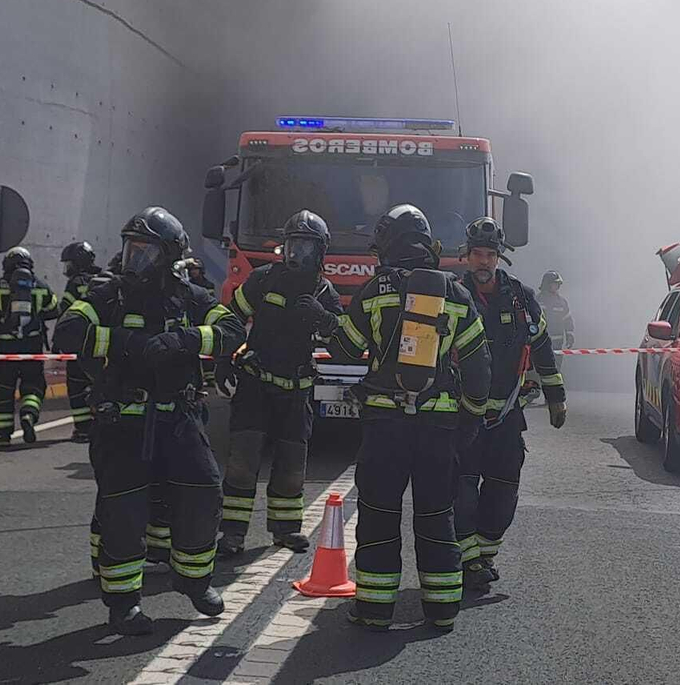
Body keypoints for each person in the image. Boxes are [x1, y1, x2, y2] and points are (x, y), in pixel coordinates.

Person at [53, 207, 241, 635]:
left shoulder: (191, 296)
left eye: (146, 250)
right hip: (121, 423)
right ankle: (123, 605)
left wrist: (187, 338)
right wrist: (129, 343)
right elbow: (66, 332)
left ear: (169, 254)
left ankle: (193, 580)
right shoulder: (108, 294)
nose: (135, 257)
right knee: (123, 514)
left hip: (179, 420)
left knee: (204, 492)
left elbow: (232, 330)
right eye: (131, 248)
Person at [329, 204, 492, 630]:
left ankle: (374, 609)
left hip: (385, 426)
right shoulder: (456, 294)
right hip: (438, 428)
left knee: (380, 513)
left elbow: (344, 350)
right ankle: (442, 610)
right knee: (437, 515)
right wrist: (471, 418)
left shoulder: (374, 290)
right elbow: (479, 368)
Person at [216, 210, 345, 558]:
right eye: (293, 246)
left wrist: (323, 316)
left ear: (320, 253)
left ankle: (286, 531)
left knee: (291, 465)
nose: (297, 256)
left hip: (297, 390)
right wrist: (221, 359)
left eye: (306, 248)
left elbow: (345, 339)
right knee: (242, 462)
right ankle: (232, 534)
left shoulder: (324, 291)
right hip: (255, 385)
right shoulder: (262, 280)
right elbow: (230, 319)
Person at [455, 218, 566, 593]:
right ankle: (468, 559)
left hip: (505, 416)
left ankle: (484, 554)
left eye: (489, 255)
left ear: (499, 258)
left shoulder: (521, 297)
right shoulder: (452, 294)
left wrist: (556, 396)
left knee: (504, 489)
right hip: (460, 417)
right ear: (466, 256)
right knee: (461, 490)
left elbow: (542, 348)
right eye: (477, 255)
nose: (483, 262)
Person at [0, 246, 60, 445]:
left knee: (3, 388)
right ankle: (28, 414)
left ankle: (4, 434)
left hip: (5, 347)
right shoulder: (40, 286)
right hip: (32, 345)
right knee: (34, 384)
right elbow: (54, 310)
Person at [58, 241, 103, 443]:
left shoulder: (75, 283)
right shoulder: (104, 279)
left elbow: (65, 312)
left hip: (79, 342)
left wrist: (59, 341)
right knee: (101, 383)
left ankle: (83, 429)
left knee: (76, 386)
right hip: (102, 343)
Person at [537, 270, 575, 362]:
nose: (557, 287)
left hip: (557, 345)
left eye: (558, 284)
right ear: (547, 284)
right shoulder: (537, 300)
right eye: (555, 284)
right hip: (539, 344)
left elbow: (568, 320)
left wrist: (570, 335)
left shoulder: (561, 302)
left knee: (555, 369)